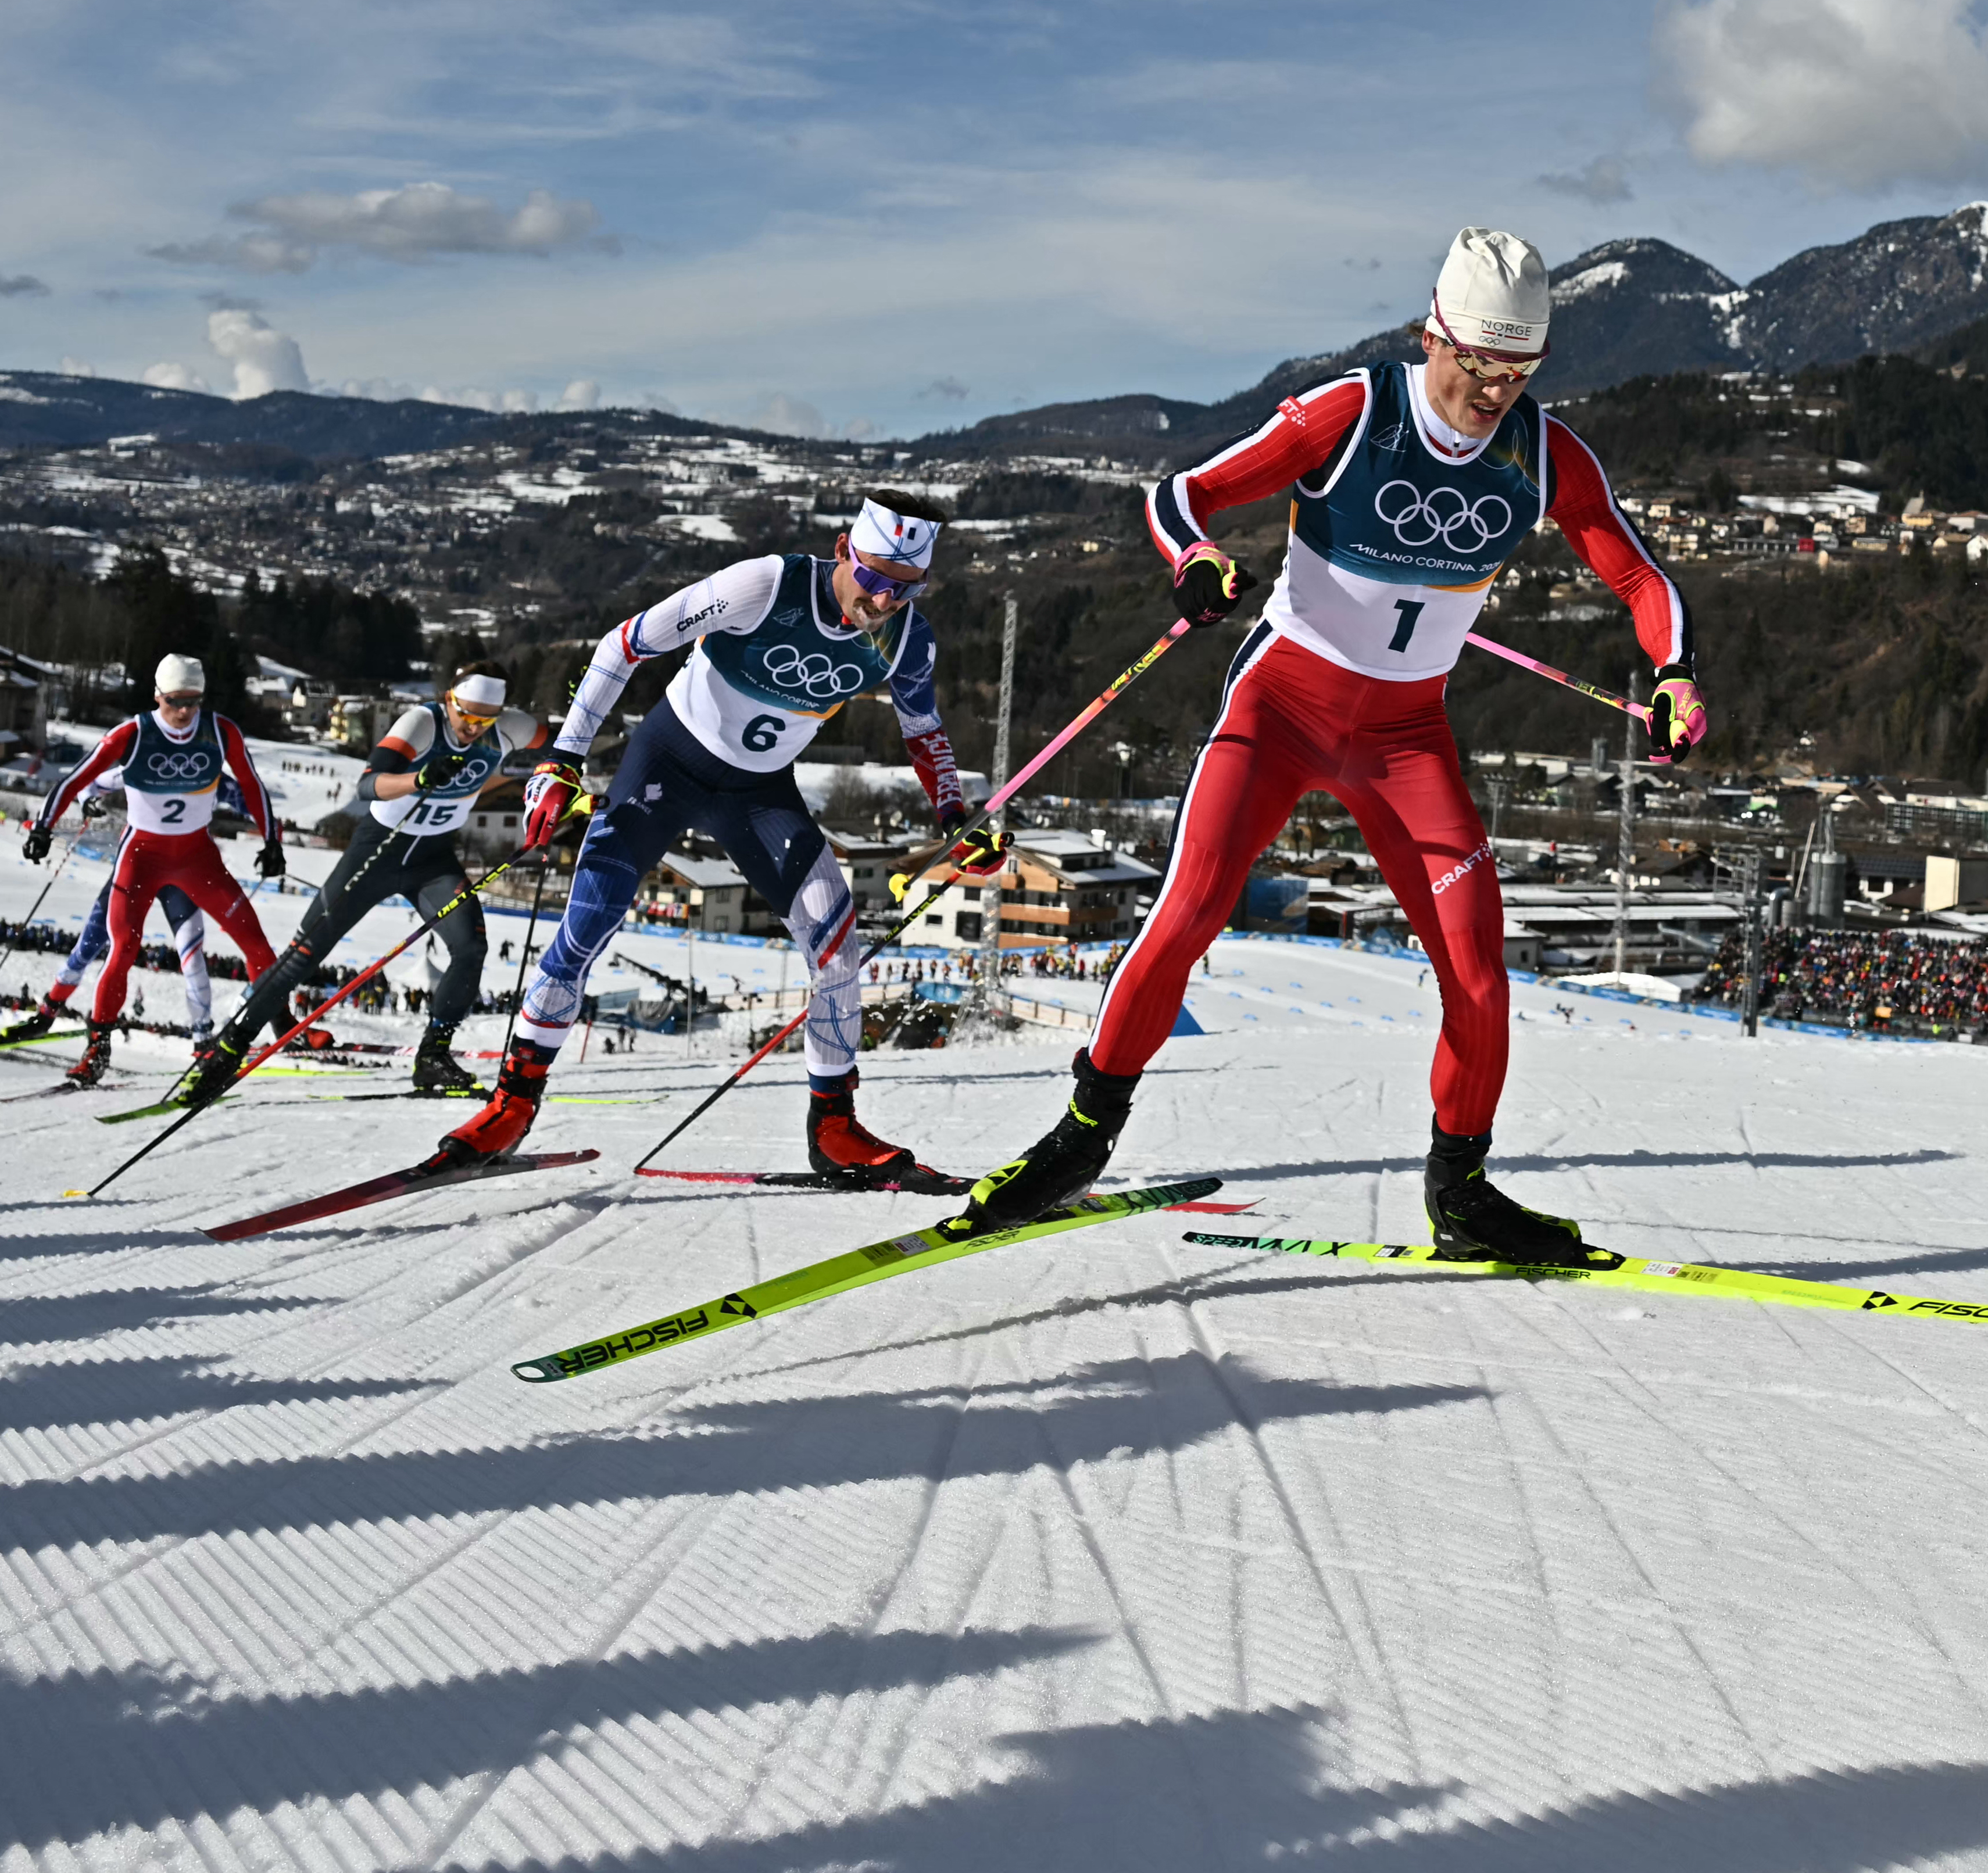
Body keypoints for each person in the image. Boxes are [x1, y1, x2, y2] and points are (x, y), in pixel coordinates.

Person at [961, 228, 1701, 1245]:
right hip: (1280, 712)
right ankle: (1078, 1140)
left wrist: (1674, 672)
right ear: (1432, 334)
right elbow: (1182, 494)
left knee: (1478, 972)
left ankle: (1461, 1194)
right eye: (1479, 364)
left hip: (1406, 739)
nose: (1495, 392)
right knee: (1185, 915)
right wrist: (1194, 558)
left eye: (1520, 371)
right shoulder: (1353, 411)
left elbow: (1638, 574)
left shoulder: (1544, 452)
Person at [438, 495, 997, 1183]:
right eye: (874, 577)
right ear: (843, 549)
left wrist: (956, 818)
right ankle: (512, 1105)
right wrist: (563, 761)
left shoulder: (905, 638)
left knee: (837, 945)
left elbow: (924, 730)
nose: (883, 601)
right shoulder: (764, 585)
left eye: (905, 587)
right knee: (585, 929)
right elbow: (623, 644)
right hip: (664, 768)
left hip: (758, 796)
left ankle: (834, 1127)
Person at [178, 666, 523, 1106]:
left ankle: (433, 1058)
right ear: (449, 699)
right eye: (467, 715)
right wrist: (418, 779)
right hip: (378, 852)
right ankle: (227, 1051)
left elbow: (560, 742)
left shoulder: (510, 729)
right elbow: (367, 785)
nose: (474, 728)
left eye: (485, 720)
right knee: (304, 955)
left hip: (433, 860)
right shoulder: (423, 723)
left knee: (471, 947)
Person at [20, 656, 283, 1088]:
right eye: (177, 701)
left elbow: (251, 785)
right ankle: (97, 1048)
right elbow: (74, 781)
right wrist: (44, 828)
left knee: (254, 942)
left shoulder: (220, 731)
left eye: (194, 701)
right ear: (158, 696)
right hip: (142, 858)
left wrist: (272, 841)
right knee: (122, 947)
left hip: (197, 858)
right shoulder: (133, 734)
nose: (186, 711)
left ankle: (281, 1027)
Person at [3, 798, 211, 1048]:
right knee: (86, 949)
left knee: (191, 958)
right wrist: (87, 801)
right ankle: (47, 1017)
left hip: (177, 872)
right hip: (133, 870)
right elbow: (88, 783)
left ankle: (203, 1041)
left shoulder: (201, 779)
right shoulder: (140, 775)